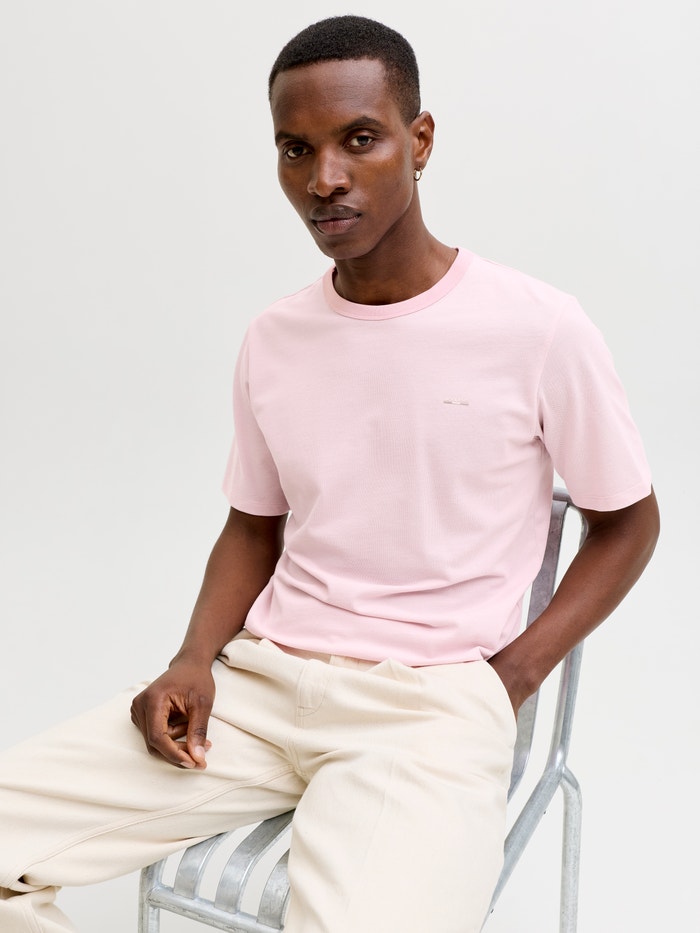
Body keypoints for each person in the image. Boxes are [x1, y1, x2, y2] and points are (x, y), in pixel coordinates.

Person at [0, 14, 659, 933]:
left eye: (359, 139)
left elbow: (627, 523)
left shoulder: (539, 327)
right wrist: (191, 659)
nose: (324, 179)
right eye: (295, 149)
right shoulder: (274, 339)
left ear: (419, 141)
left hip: (424, 710)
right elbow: (253, 525)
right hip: (260, 687)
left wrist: (506, 679)